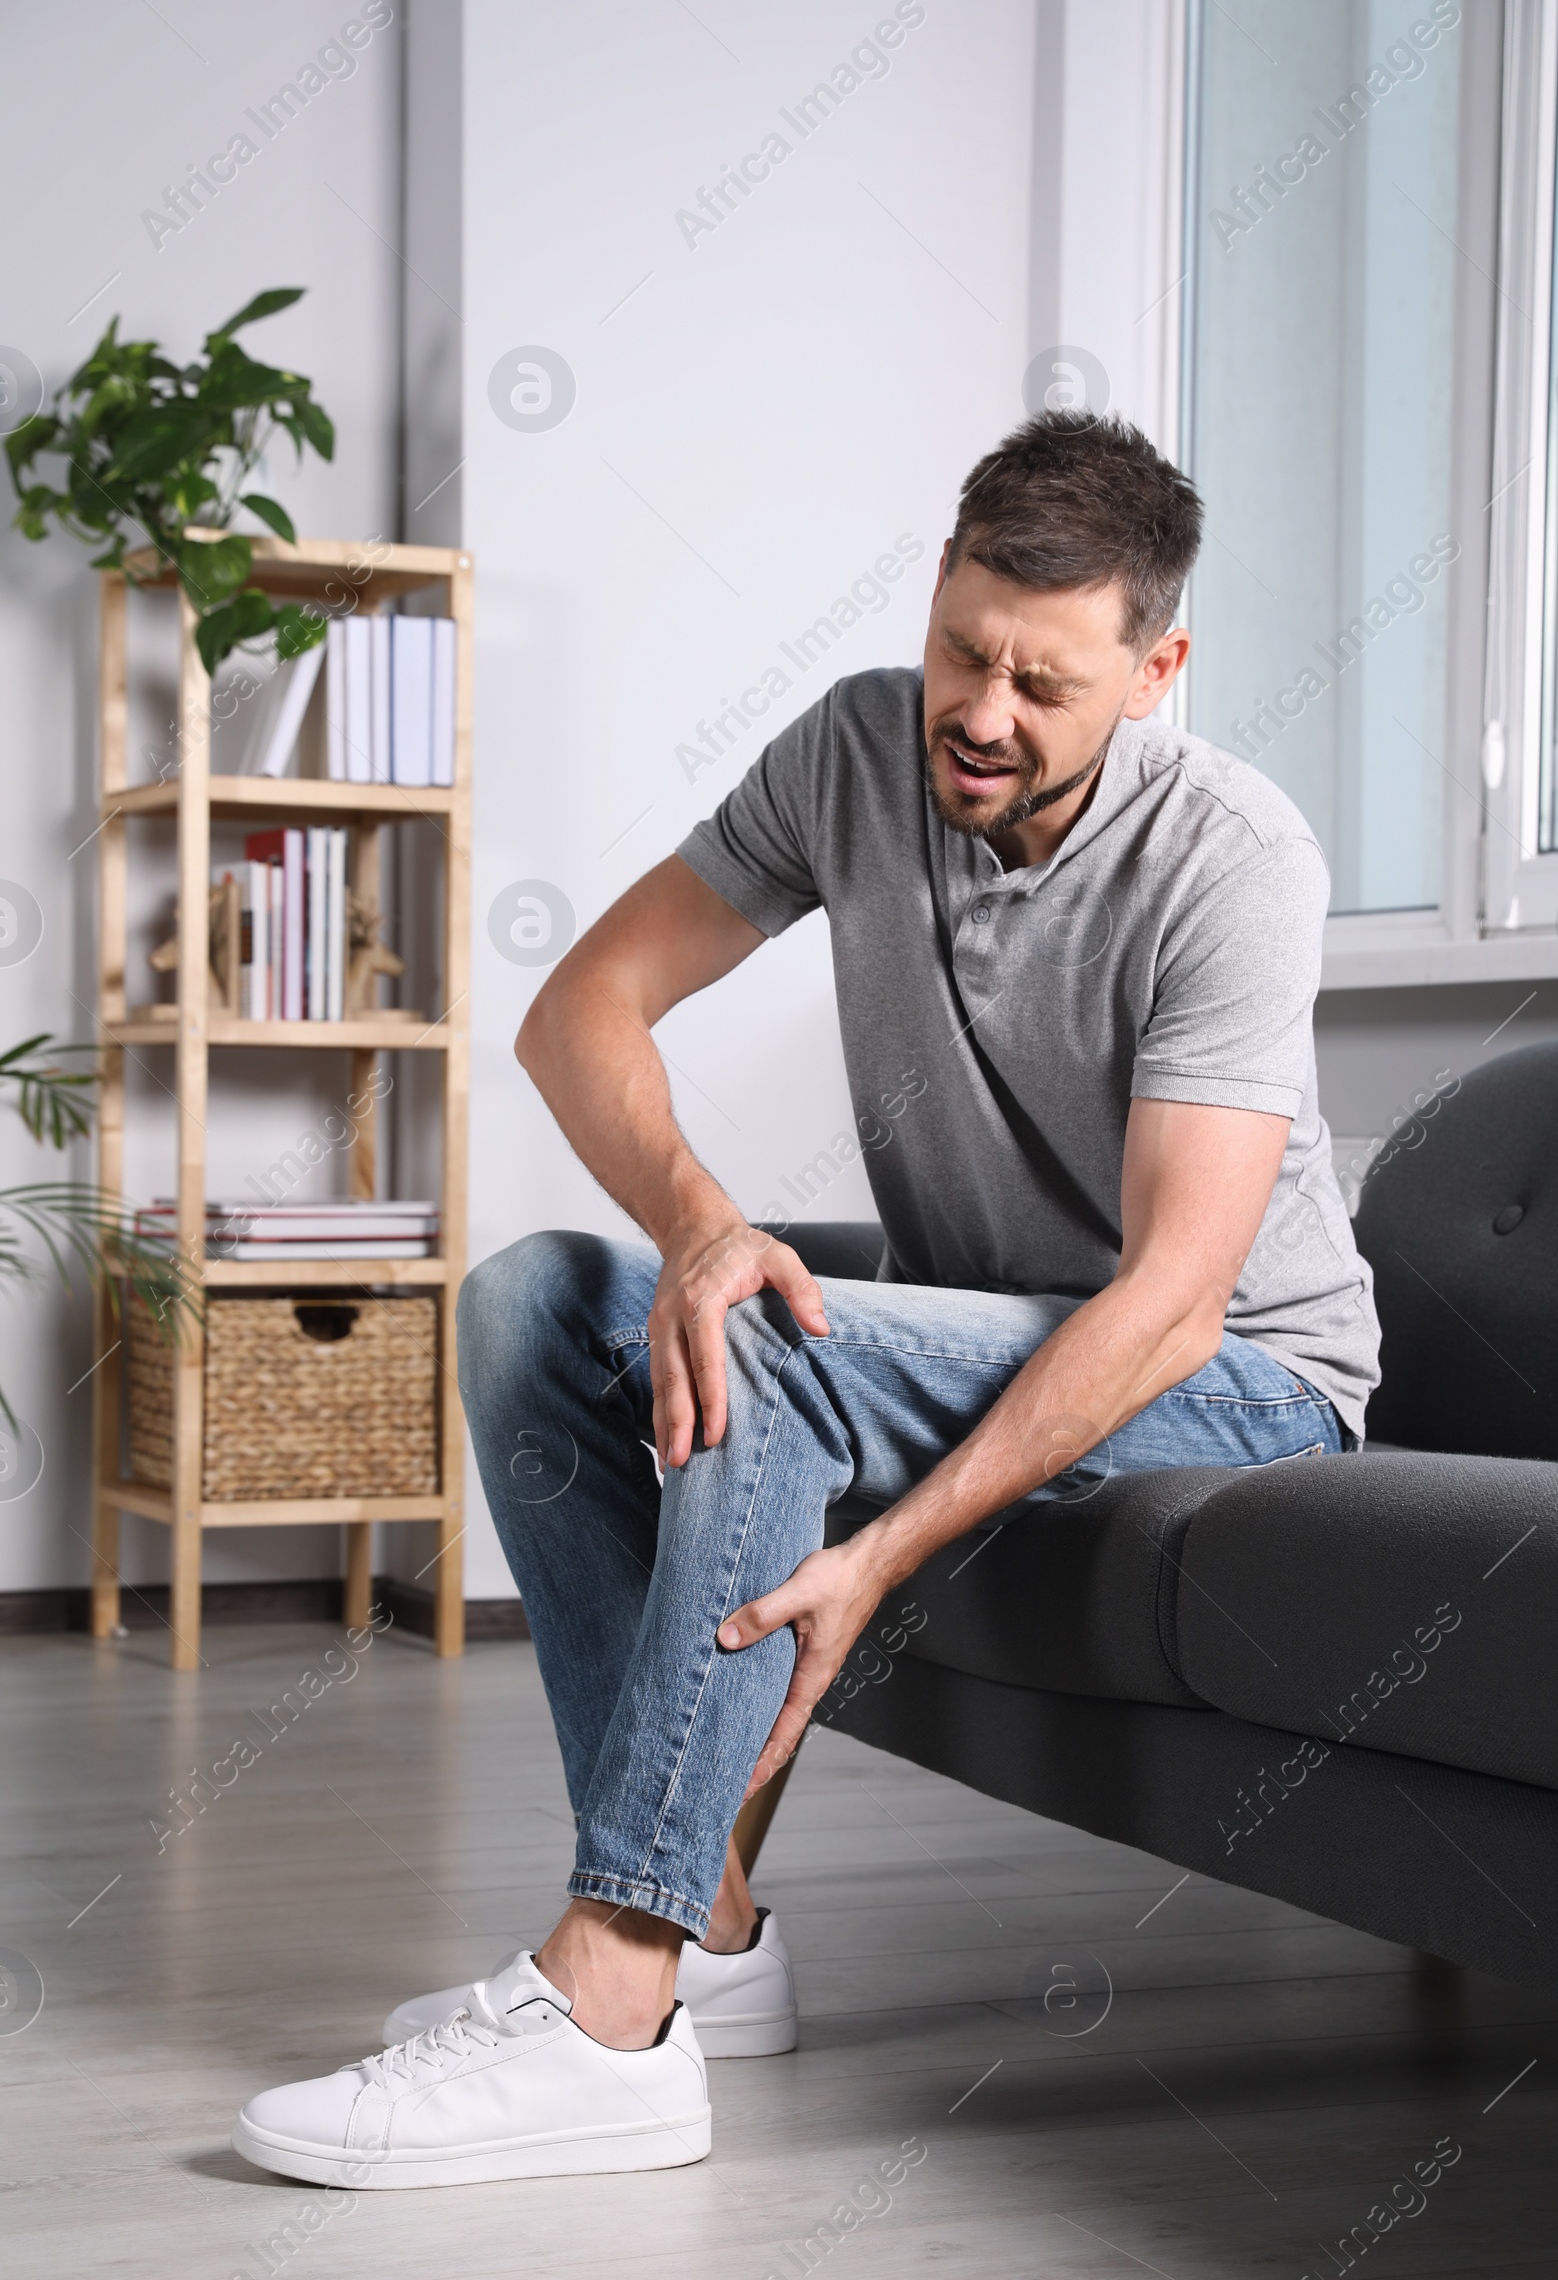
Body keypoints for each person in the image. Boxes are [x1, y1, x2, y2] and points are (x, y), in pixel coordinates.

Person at [234, 410, 1377, 2190]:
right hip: (985, 1323)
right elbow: (580, 1011)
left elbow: (1170, 1300)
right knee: (543, 1298)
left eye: (1046, 685)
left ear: (1155, 670)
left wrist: (889, 1547)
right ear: (933, 591)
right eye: (963, 650)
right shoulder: (855, 747)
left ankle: (615, 1999)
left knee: (779, 1343)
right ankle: (724, 1933)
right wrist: (696, 1221)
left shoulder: (1236, 862)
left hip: (1243, 1375)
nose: (983, 714)